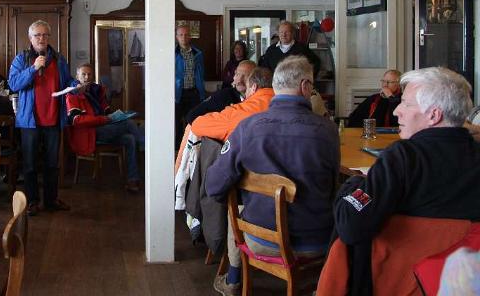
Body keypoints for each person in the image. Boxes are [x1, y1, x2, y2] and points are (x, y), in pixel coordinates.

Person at [334, 67, 480, 295]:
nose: (396, 111)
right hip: (462, 283)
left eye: (406, 104)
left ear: (433, 115)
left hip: (395, 282)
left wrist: (351, 186)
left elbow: (350, 227)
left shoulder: (402, 159)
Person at [206, 56, 339, 295]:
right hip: (317, 240)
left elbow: (214, 185)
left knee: (235, 207)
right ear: (305, 86)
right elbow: (333, 187)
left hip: (262, 239)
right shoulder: (328, 131)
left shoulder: (248, 127)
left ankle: (234, 279)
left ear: (275, 86)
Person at [9, 20, 72, 216]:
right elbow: (13, 84)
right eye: (37, 35)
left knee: (52, 164)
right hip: (30, 121)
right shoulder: (21, 59)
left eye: (45, 35)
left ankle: (51, 200)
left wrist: (76, 85)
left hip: (53, 119)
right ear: (30, 38)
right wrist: (33, 68)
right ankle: (32, 202)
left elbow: (67, 81)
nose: (41, 38)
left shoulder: (59, 59)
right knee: (29, 164)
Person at [65, 63, 143, 192]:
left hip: (103, 129)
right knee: (129, 124)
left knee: (130, 138)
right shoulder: (72, 95)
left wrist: (115, 116)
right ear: (77, 76)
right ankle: (146, 147)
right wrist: (104, 119)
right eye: (83, 74)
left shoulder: (96, 91)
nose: (86, 77)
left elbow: (106, 112)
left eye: (89, 74)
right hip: (88, 134)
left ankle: (132, 180)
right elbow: (76, 120)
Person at [190, 67, 275, 142]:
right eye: (237, 74)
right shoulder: (282, 106)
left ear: (253, 88)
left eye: (247, 88)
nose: (246, 93)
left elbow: (196, 125)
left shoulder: (238, 112)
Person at [186, 60, 256, 126]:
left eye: (246, 76)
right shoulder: (224, 95)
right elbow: (192, 116)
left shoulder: (259, 99)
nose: (240, 80)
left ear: (255, 79)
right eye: (237, 74)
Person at [175, 24, 206, 148]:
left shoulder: (197, 54)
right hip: (177, 93)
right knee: (176, 122)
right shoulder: (173, 53)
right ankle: (177, 149)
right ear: (176, 37)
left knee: (194, 121)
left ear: (190, 37)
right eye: (181, 35)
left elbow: (200, 74)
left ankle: (192, 148)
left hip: (193, 93)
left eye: (186, 34)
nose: (183, 37)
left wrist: (201, 93)